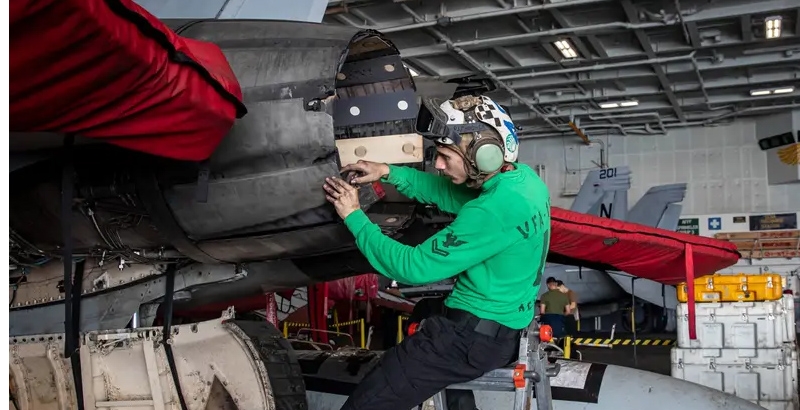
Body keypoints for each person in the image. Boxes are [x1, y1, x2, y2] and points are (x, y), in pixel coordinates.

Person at [322, 94, 551, 410]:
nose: (438, 164)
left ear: (483, 156)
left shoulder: (493, 210)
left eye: (445, 155)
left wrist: (353, 216)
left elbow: (413, 267)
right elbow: (448, 193)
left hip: (470, 339)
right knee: (424, 312)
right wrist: (388, 171)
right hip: (505, 326)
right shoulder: (525, 182)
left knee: (367, 403)